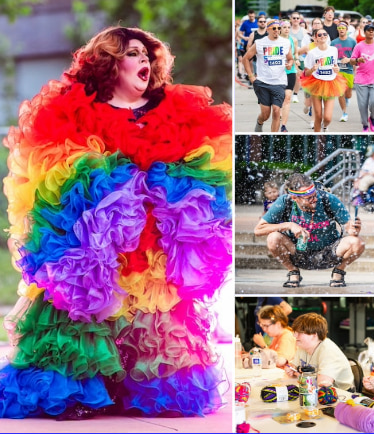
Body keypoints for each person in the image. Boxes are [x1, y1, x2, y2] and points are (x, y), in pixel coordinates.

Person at [0, 26, 232, 419]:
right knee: (84, 305)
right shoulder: (73, 111)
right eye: (133, 53)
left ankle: (146, 389)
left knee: (155, 313)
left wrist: (166, 186)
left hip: (153, 243)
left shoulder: (176, 110)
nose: (145, 60)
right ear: (110, 63)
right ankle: (77, 388)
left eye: (147, 54)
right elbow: (50, 175)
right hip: (93, 247)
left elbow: (209, 171)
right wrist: (108, 183)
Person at [254, 173, 365, 288]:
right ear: (294, 197)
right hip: (298, 252)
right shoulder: (285, 202)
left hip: (329, 252)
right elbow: (258, 230)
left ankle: (339, 271)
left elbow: (349, 227)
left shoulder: (328, 199)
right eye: (309, 198)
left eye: (315, 194)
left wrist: (354, 229)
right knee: (273, 238)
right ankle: (293, 271)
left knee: (357, 242)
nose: (315, 199)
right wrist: (289, 225)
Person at [281, 313, 355, 392]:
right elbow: (294, 366)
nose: (295, 335)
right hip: (314, 390)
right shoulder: (303, 346)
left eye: (299, 332)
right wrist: (292, 369)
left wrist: (300, 376)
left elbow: (323, 385)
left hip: (341, 394)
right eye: (295, 332)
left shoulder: (328, 351)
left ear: (314, 335)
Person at [242, 20, 294, 132]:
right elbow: (245, 58)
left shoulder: (285, 43)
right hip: (262, 82)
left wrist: (289, 65)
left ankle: (273, 138)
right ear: (268, 30)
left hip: (279, 82)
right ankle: (259, 122)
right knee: (265, 115)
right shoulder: (260, 43)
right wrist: (251, 76)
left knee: (276, 111)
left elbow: (290, 59)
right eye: (274, 28)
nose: (277, 30)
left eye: (278, 28)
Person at [300, 28, 348, 133]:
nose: (322, 36)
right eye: (320, 35)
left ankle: (325, 127)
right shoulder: (312, 53)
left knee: (327, 118)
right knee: (318, 116)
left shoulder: (333, 50)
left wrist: (337, 69)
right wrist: (313, 69)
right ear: (315, 38)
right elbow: (306, 73)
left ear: (327, 36)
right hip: (316, 82)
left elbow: (335, 66)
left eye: (324, 34)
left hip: (331, 82)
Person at [350, 24, 374, 133]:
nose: (371, 32)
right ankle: (365, 125)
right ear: (364, 32)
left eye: (372, 31)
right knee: (362, 105)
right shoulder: (359, 46)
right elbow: (352, 60)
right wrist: (357, 61)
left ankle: (373, 118)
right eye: (369, 31)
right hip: (361, 79)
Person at [329, 21, 356, 123]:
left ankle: (347, 99)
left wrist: (349, 60)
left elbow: (356, 57)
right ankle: (344, 113)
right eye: (339, 28)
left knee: (348, 94)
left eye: (343, 28)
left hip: (348, 70)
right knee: (340, 93)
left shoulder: (352, 42)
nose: (341, 30)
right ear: (337, 30)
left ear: (346, 30)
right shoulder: (334, 42)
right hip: (338, 71)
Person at [278, 20, 298, 133]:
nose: (286, 29)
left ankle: (283, 126)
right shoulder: (275, 41)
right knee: (280, 97)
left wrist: (296, 60)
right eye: (284, 27)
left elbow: (295, 53)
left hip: (291, 71)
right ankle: (278, 112)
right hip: (278, 72)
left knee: (288, 97)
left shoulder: (293, 40)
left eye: (288, 27)